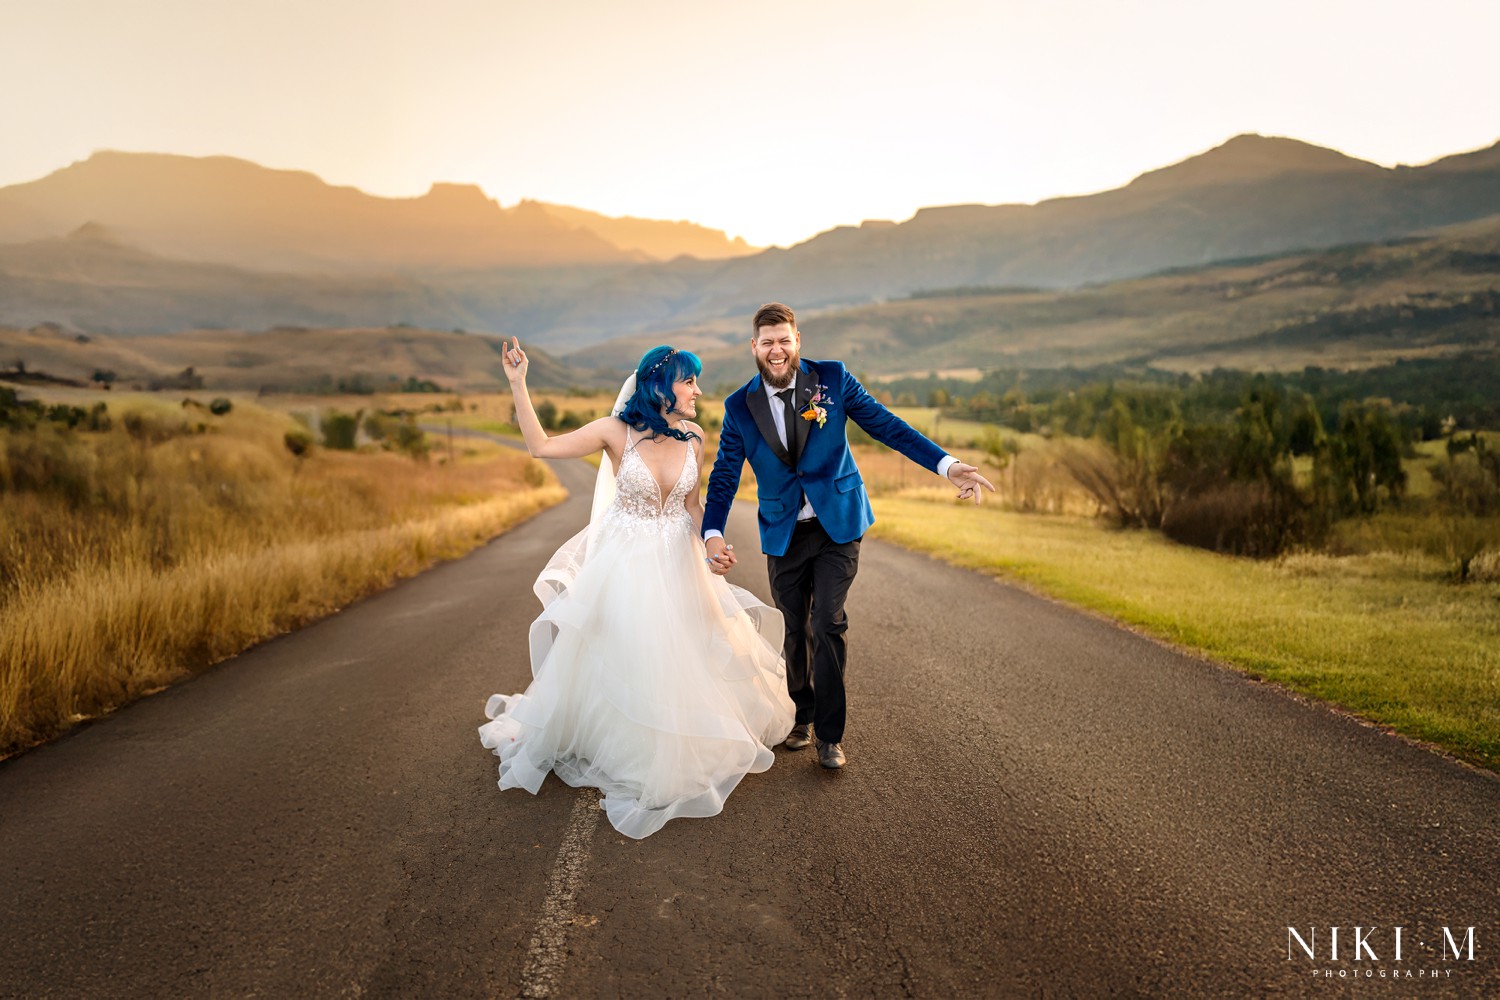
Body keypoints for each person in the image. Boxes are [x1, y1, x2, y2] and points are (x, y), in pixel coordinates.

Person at [478, 339, 795, 839]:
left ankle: (675, 740)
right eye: (689, 380)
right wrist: (518, 384)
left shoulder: (694, 436)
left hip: (679, 558)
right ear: (660, 384)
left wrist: (712, 547)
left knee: (684, 653)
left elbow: (692, 505)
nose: (698, 390)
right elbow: (542, 446)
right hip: (625, 564)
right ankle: (629, 746)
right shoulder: (614, 431)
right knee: (631, 653)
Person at [703, 302, 994, 769]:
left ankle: (829, 736)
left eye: (784, 340)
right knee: (795, 627)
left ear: (798, 340)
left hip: (838, 523)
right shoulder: (739, 407)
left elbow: (887, 427)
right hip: (783, 530)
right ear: (753, 348)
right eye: (767, 342)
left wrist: (948, 465)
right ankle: (802, 714)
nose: (776, 350)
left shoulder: (833, 380)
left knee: (827, 622)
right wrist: (713, 532)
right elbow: (724, 475)